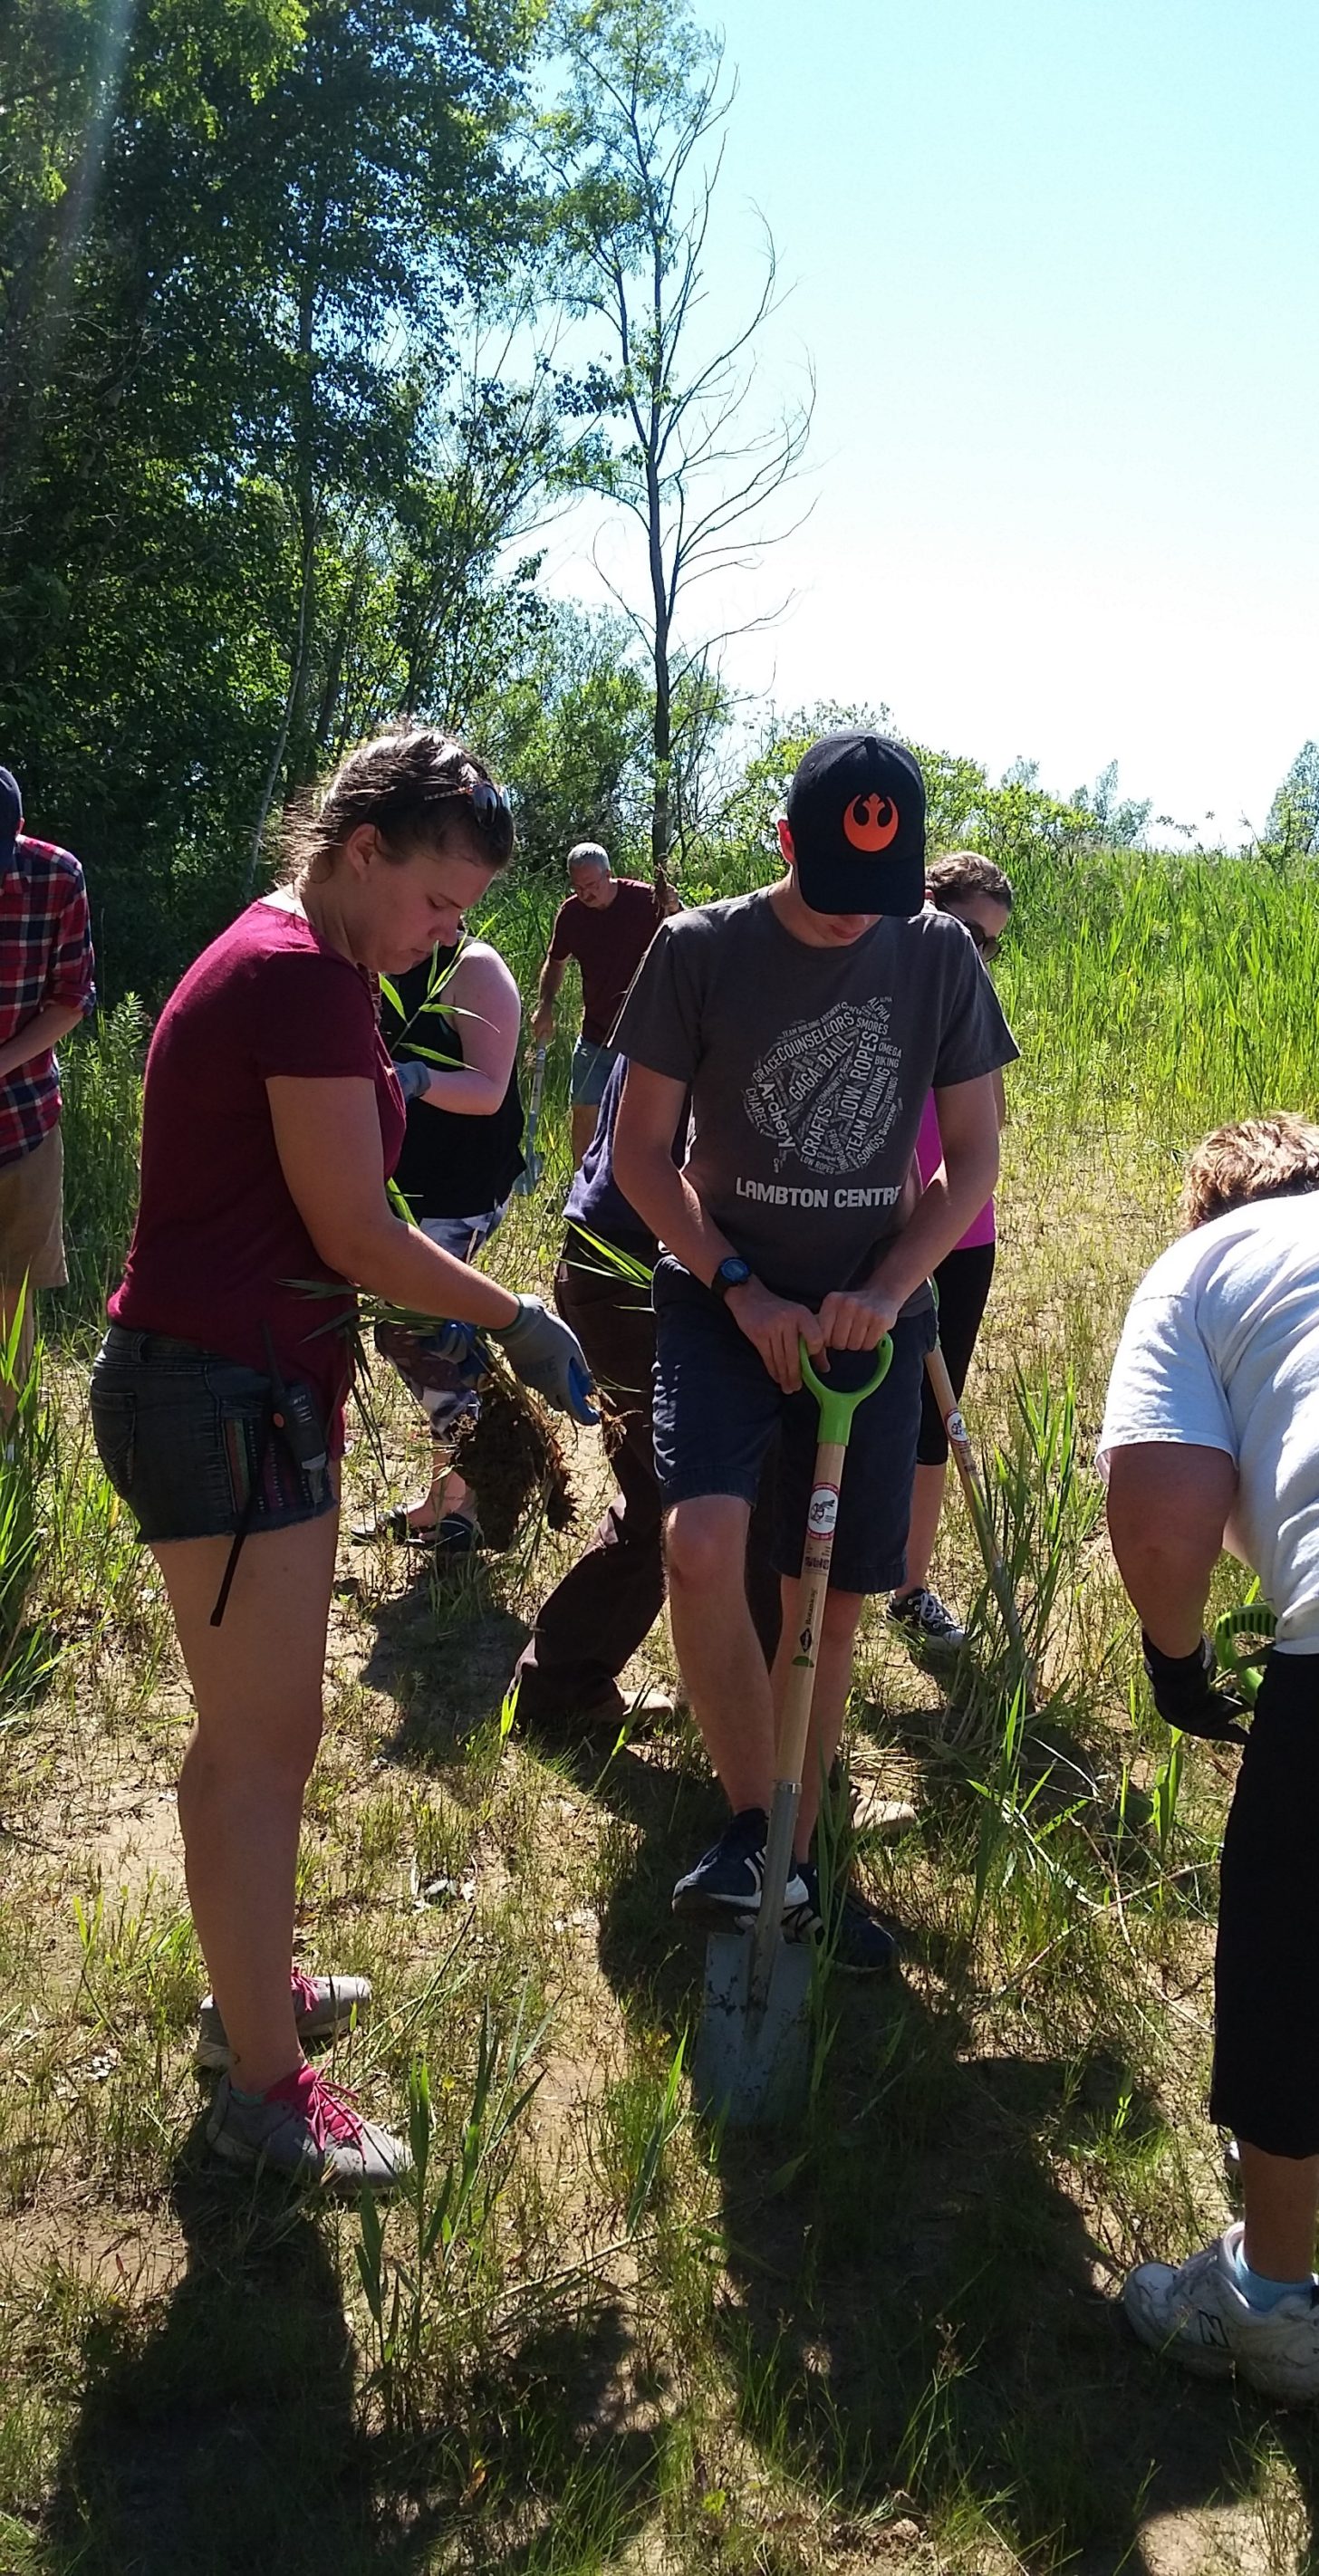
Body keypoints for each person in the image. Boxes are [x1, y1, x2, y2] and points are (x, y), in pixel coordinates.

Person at [90, 729, 592, 2190]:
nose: (450, 936)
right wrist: (516, 1319)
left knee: (261, 1733)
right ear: (363, 848)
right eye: (440, 902)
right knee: (259, 1743)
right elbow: (357, 1234)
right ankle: (262, 2079)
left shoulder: (305, 958)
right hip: (218, 1392)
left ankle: (254, 1982)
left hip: (239, 1382)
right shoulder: (301, 977)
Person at [612, 729, 1016, 1972]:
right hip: (723, 1299)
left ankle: (793, 1835)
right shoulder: (699, 952)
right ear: (786, 844)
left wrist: (889, 1291)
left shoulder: (940, 954)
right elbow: (642, 1159)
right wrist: (739, 1289)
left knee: (831, 1592)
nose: (857, 925)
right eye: (835, 893)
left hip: (868, 1315)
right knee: (703, 1547)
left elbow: (970, 1168)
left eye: (879, 903)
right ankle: (756, 1828)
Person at [1100, 1112, 1319, 2403]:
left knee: (1300, 1917)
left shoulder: (1203, 1270)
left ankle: (1267, 2302)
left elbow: (1162, 1499)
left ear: (1207, 1208)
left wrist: (1176, 1660)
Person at [509, 1054, 781, 1728]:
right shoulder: (729, 965)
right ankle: (777, 1755)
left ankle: (562, 1684)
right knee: (720, 1495)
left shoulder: (692, 957)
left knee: (673, 1493)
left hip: (624, 1261)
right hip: (638, 1266)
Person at [887, 853, 1014, 1653]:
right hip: (869, 1227)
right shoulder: (873, 972)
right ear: (927, 902)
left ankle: (911, 1587)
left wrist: (927, 1207)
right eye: (969, 930)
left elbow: (988, 1124)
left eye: (992, 942)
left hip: (959, 1231)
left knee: (938, 1416)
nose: (978, 951)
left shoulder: (972, 999)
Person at [368, 930, 525, 1552]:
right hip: (398, 1188)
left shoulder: (474, 969)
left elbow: (488, 1091)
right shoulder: (375, 957)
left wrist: (411, 1078)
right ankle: (458, 1493)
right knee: (430, 1335)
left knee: (412, 1332)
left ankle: (479, 1480)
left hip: (460, 1189)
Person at [0, 766, 96, 1396]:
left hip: (21, 1121)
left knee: (10, 1287)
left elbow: (70, 999)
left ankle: (7, 1434)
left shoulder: (57, 878)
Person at [531, 841, 672, 1164]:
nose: (585, 894)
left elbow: (687, 935)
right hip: (595, 1033)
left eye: (592, 885)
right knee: (583, 1109)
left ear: (610, 874)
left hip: (643, 1036)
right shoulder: (571, 914)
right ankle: (582, 1184)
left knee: (638, 1120)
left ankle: (632, 1188)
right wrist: (546, 1005)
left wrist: (675, 908)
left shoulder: (645, 900)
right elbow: (555, 962)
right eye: (578, 887)